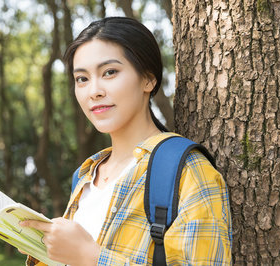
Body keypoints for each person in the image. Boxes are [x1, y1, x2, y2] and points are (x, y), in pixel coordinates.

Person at [20, 17, 232, 265]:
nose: (94, 91)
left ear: (148, 79)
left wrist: (91, 257)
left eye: (109, 72)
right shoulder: (86, 176)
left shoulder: (187, 172)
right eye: (82, 79)